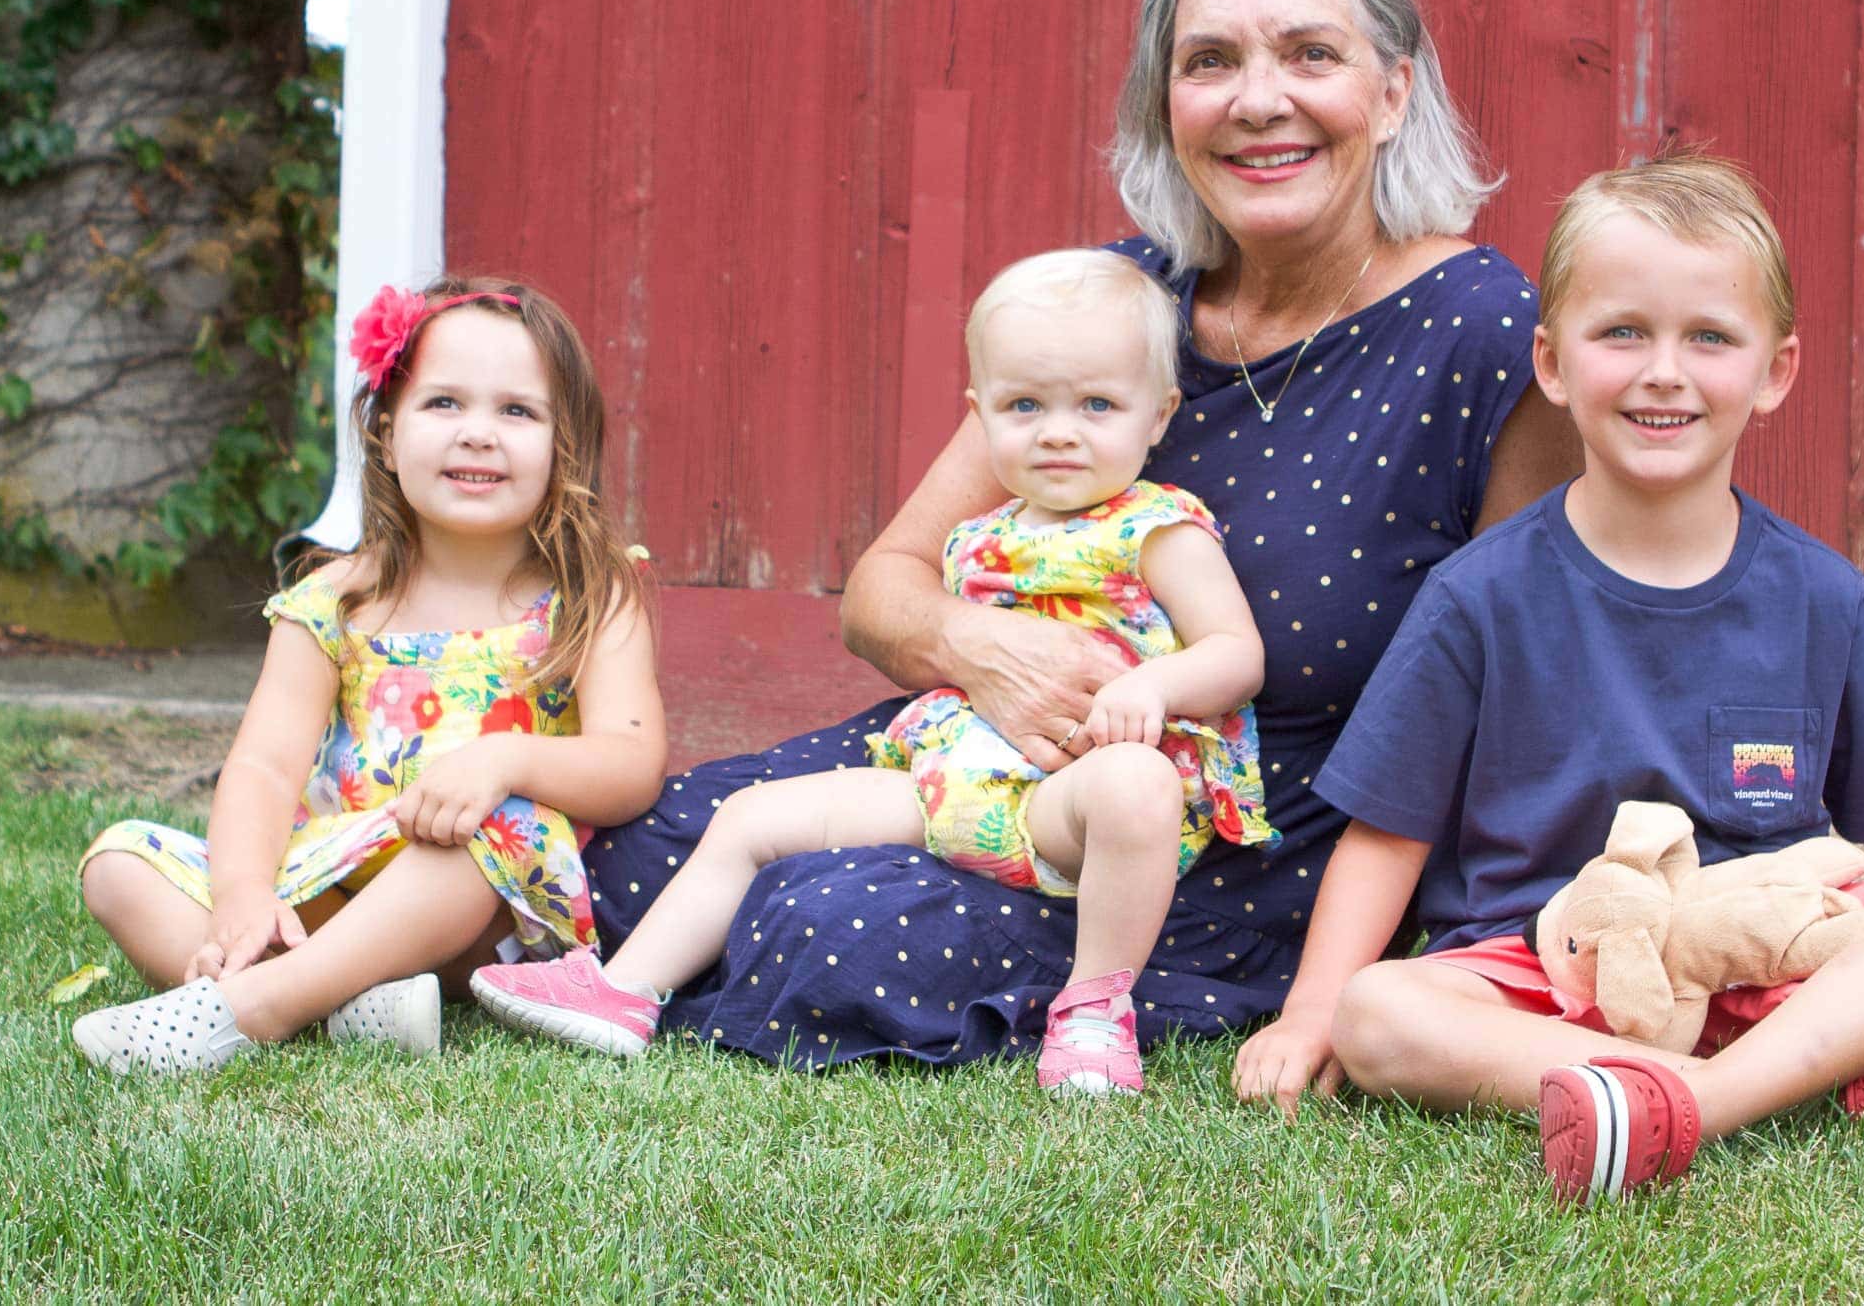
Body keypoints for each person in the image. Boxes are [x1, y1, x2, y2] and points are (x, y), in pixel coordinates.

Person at [578, 0, 1579, 1066]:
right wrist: (984, 649)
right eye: (1210, 62)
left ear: (1393, 91)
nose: (1259, 100)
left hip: (1214, 834)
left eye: (1311, 54)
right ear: (1168, 104)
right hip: (974, 749)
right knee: (640, 841)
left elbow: (1511, 681)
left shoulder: (1479, 333)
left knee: (832, 926)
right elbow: (882, 588)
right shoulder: (1119, 302)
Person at [1231, 148, 1864, 1202]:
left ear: (1773, 370)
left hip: (1774, 956)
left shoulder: (1822, 597)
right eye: (1622, 332)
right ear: (1552, 363)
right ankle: (1835, 1069)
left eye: (1708, 337)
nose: (1662, 371)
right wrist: (1314, 1004)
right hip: (1543, 975)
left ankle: (1692, 1103)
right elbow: (1388, 832)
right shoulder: (1478, 596)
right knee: (1380, 1015)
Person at [472, 250, 1271, 1092]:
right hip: (950, 784)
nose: (1059, 430)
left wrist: (1149, 688)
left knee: (1137, 785)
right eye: (1025, 405)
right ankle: (623, 991)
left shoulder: (1159, 527)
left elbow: (1236, 653)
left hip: (1072, 802)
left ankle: (1095, 1013)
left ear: (1160, 414)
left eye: (1097, 405)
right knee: (750, 818)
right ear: (979, 412)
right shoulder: (977, 530)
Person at [70, 278, 667, 1075]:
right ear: (386, 434)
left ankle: (258, 1007)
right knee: (119, 866)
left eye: (516, 412)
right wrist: (245, 894)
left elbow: (632, 765)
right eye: (444, 404)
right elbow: (263, 766)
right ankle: (348, 1001)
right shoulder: (334, 600)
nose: (478, 435)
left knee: (475, 835)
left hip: (483, 905)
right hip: (332, 882)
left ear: (567, 446)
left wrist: (504, 762)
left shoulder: (592, 594)